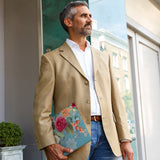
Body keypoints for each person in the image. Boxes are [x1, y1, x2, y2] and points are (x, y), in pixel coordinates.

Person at [33, 1, 134, 160]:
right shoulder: (51, 60)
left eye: (90, 16)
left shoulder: (103, 57)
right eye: (83, 16)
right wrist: (48, 144)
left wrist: (125, 138)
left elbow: (116, 101)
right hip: (73, 135)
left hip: (108, 135)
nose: (89, 19)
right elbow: (41, 109)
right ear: (69, 22)